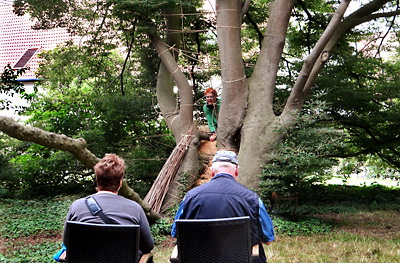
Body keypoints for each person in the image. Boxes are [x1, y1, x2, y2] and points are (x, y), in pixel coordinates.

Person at [171, 150, 275, 263]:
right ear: (236, 171)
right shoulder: (252, 199)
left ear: (212, 172)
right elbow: (268, 239)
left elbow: (176, 233)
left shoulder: (190, 197)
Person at [54, 154, 154, 262]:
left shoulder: (77, 206)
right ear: (120, 183)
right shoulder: (135, 208)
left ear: (97, 180)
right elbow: (148, 246)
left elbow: (67, 242)